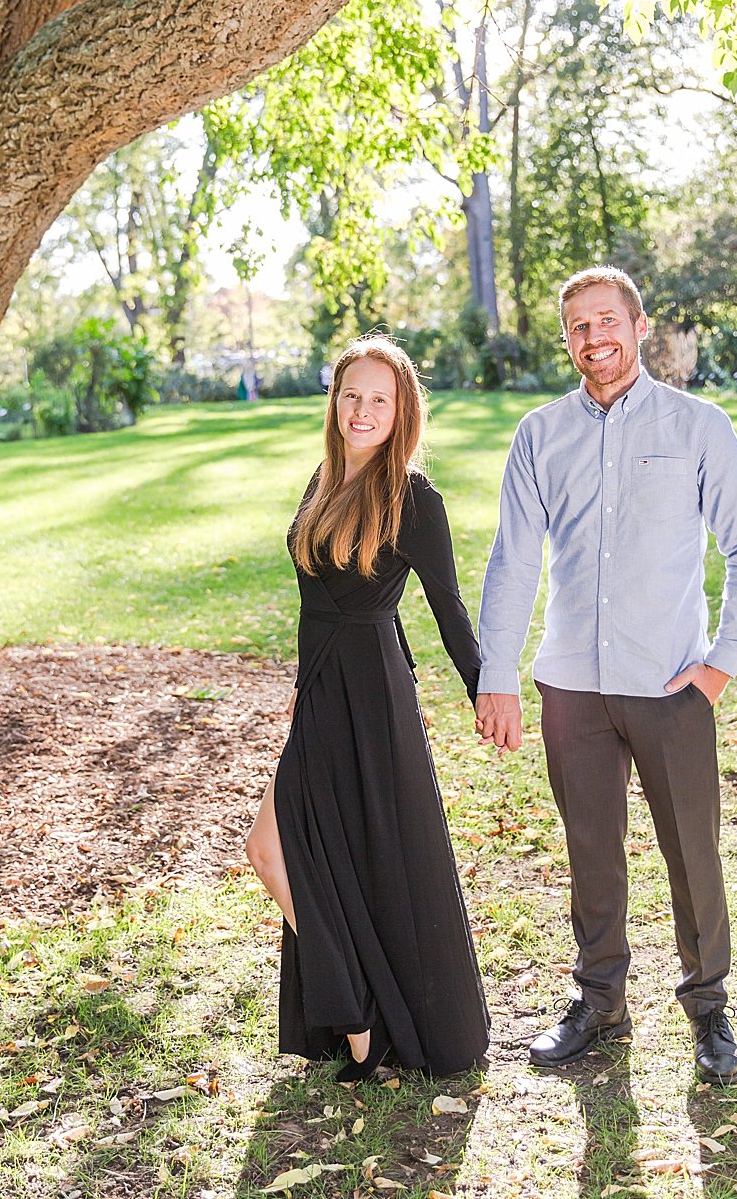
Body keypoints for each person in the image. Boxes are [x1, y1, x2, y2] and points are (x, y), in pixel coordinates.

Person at [475, 266, 737, 1085]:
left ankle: (709, 1008)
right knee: (591, 854)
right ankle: (599, 999)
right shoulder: (539, 435)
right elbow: (512, 562)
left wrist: (719, 666)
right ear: (566, 339)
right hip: (572, 685)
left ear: (639, 328)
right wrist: (497, 674)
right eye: (578, 327)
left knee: (692, 855)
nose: (594, 338)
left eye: (607, 321)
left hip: (672, 684)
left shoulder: (698, 426)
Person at [243, 336, 490, 1081]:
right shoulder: (321, 480)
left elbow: (448, 608)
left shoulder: (414, 498)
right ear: (335, 401)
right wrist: (297, 684)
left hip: (376, 696)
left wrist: (487, 693)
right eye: (352, 394)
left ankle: (365, 1025)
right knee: (274, 850)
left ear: (401, 411)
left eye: (380, 398)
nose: (363, 409)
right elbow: (310, 602)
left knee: (365, 857)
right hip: (321, 689)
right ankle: (356, 1009)